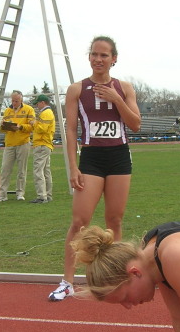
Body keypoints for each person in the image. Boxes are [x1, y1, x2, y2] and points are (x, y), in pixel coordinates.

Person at [48, 35, 141, 301]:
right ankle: (67, 281)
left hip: (119, 158)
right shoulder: (77, 89)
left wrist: (116, 98)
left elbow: (135, 124)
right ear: (89, 57)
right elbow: (69, 129)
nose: (98, 59)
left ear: (114, 59)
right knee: (79, 221)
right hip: (91, 159)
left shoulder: (125, 88)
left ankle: (116, 277)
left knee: (115, 220)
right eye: (94, 54)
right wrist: (73, 166)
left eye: (104, 55)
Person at [0, 90, 35, 201]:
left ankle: (20, 193)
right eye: (13, 100)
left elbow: (32, 126)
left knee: (21, 170)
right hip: (9, 143)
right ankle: (2, 194)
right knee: (5, 169)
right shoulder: (7, 111)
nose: (14, 103)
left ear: (21, 100)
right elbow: (2, 130)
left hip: (23, 143)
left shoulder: (29, 109)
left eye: (16, 101)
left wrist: (21, 127)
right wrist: (3, 126)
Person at [29, 94, 56, 203]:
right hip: (46, 144)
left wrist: (34, 122)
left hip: (41, 144)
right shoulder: (48, 113)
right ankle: (48, 195)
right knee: (46, 171)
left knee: (38, 170)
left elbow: (42, 129)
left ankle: (41, 196)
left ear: (42, 103)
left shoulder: (45, 113)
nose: (37, 105)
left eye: (37, 103)